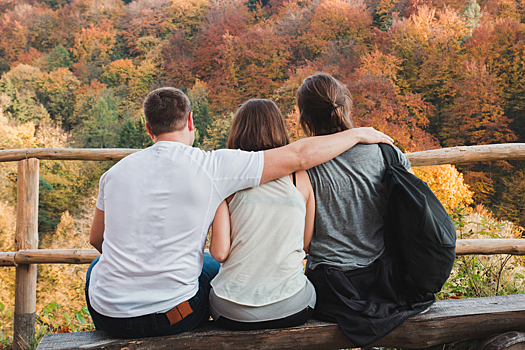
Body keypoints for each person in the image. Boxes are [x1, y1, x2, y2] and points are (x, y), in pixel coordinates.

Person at [84, 87, 394, 338]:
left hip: (110, 317)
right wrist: (357, 133)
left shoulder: (114, 174)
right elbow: (300, 155)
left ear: (148, 128)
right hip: (174, 317)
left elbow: (98, 239)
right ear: (191, 122)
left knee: (97, 266)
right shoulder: (212, 166)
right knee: (205, 266)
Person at [296, 73, 434, 347]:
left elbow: (306, 242)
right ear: (346, 105)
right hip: (385, 283)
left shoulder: (303, 165)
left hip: (331, 291)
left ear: (305, 118)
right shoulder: (386, 152)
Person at [208, 99, 316, 331]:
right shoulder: (300, 177)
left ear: (238, 130)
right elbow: (306, 244)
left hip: (231, 310)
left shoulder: (226, 183)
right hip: (291, 306)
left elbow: (219, 252)